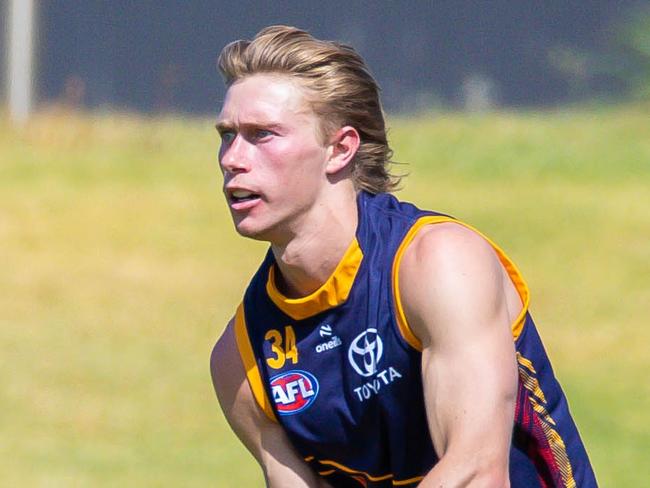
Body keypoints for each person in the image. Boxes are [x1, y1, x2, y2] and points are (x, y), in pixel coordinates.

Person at [210, 25, 597, 488]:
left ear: (340, 149)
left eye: (262, 135)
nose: (233, 157)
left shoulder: (436, 264)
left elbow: (476, 474)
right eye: (227, 135)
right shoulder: (242, 358)